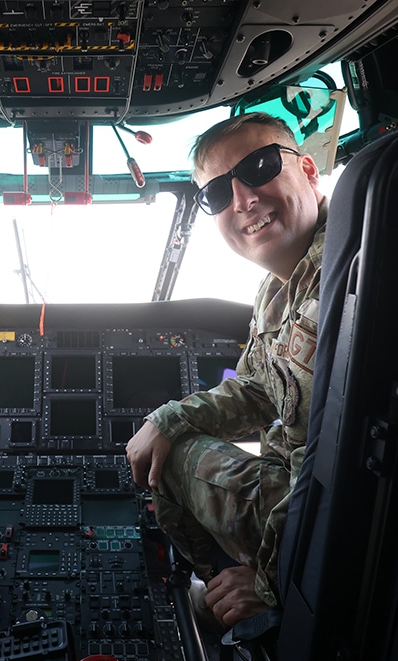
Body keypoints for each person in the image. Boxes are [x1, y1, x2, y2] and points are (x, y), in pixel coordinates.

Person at [126, 112, 326, 632]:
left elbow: (338, 471)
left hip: (323, 527)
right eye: (216, 193)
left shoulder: (350, 276)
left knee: (168, 463)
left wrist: (270, 578)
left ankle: (237, 590)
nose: (241, 200)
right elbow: (259, 389)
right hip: (302, 501)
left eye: (259, 167)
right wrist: (171, 417)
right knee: (168, 437)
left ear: (308, 169)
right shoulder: (279, 286)